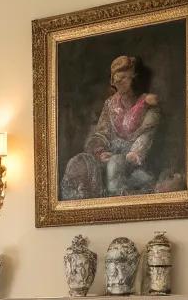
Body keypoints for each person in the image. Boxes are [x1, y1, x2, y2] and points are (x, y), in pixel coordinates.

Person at [61, 54, 164, 199]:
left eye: (123, 78)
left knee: (116, 165)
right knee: (80, 162)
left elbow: (145, 134)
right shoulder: (110, 104)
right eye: (115, 79)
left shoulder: (147, 104)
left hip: (135, 161)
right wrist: (100, 152)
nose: (118, 83)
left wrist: (135, 153)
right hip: (110, 155)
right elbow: (101, 133)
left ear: (133, 77)